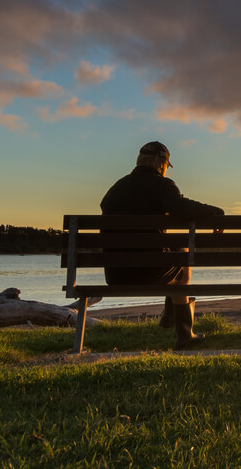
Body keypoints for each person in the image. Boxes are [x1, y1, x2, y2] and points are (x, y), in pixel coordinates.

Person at [100, 141, 224, 350]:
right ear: (161, 162)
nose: (166, 170)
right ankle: (184, 334)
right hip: (151, 273)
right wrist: (215, 211)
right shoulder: (162, 185)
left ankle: (170, 317)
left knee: (176, 256)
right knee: (183, 257)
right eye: (167, 165)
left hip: (116, 276)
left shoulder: (115, 189)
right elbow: (180, 207)